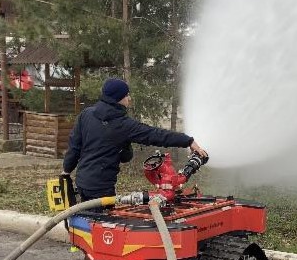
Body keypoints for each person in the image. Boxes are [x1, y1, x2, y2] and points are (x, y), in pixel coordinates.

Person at [62, 78, 207, 202]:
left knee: (85, 221)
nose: (129, 98)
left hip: (82, 182)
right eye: (126, 95)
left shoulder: (86, 114)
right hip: (101, 188)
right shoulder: (123, 125)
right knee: (102, 226)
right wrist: (188, 141)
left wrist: (66, 171)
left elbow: (74, 147)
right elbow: (155, 134)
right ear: (118, 98)